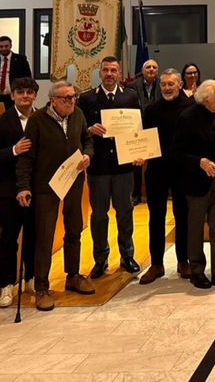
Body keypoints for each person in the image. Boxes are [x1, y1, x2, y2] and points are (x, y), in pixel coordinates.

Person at [16, 81, 95, 311]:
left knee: (74, 228)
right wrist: (23, 186)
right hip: (46, 186)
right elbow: (26, 157)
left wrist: (88, 155)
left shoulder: (78, 114)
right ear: (53, 100)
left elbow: (87, 139)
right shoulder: (37, 120)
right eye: (66, 98)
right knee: (45, 235)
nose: (71, 101)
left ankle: (73, 275)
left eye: (73, 97)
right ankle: (41, 286)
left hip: (73, 181)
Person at [172, 80, 215, 289]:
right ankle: (197, 271)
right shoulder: (187, 118)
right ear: (206, 100)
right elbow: (177, 153)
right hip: (195, 184)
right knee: (195, 229)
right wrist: (199, 162)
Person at [78, 57, 142, 280]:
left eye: (113, 70)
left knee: (125, 212)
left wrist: (139, 151)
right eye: (105, 70)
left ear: (119, 73)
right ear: (100, 72)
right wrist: (89, 129)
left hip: (123, 166)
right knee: (99, 216)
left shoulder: (130, 96)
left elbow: (138, 128)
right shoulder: (86, 98)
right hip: (99, 167)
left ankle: (127, 255)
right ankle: (100, 259)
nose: (109, 74)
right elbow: (79, 129)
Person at [0, 77, 39, 307]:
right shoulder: (0, 122)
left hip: (36, 188)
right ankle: (6, 285)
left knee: (33, 236)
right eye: (20, 92)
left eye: (29, 92)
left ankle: (31, 279)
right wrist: (14, 150)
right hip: (8, 189)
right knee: (9, 239)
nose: (25, 96)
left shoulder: (42, 118)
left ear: (35, 95)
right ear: (12, 95)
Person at [140, 69, 193, 284]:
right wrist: (139, 153)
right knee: (156, 217)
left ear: (180, 84)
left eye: (171, 84)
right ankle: (156, 264)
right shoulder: (151, 110)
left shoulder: (191, 107)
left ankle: (183, 260)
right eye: (164, 84)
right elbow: (143, 137)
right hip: (157, 170)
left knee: (183, 216)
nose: (167, 88)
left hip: (182, 170)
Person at [129, 59, 161, 204]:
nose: (151, 69)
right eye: (148, 67)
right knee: (136, 164)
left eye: (154, 67)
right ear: (142, 71)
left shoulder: (162, 84)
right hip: (138, 128)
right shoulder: (132, 86)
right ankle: (135, 194)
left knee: (157, 163)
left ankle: (156, 193)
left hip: (157, 129)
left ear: (157, 71)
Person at [0, 36, 32, 110]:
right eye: (1, 46)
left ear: (11, 46)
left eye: (6, 46)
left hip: (14, 96)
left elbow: (27, 77)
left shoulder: (20, 59)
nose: (3, 48)